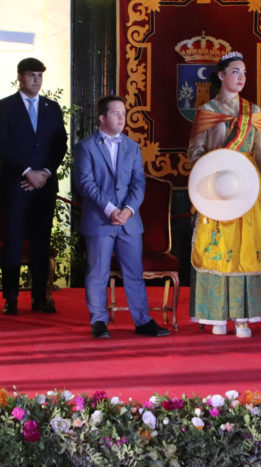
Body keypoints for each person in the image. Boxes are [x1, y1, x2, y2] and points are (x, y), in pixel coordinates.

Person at [188, 53, 261, 337]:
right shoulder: (207, 111)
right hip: (216, 188)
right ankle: (216, 316)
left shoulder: (254, 111)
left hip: (246, 189)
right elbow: (194, 153)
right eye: (235, 71)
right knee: (217, 250)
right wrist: (216, 166)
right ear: (221, 76)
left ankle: (242, 317)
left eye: (244, 72)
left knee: (245, 250)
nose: (241, 77)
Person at [75, 95, 169, 339]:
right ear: (102, 117)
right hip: (99, 219)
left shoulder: (132, 146)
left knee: (134, 273)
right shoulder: (86, 147)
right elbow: (85, 184)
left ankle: (143, 320)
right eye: (116, 113)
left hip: (129, 221)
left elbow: (139, 183)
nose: (121, 118)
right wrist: (110, 209)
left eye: (124, 113)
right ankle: (99, 322)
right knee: (98, 272)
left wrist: (127, 210)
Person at [0, 57, 68, 315]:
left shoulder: (52, 108)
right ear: (20, 77)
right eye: (32, 75)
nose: (36, 80)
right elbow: (2, 145)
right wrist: (26, 172)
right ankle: (10, 299)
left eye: (40, 76)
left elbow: (60, 146)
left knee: (40, 242)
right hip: (16, 184)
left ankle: (39, 298)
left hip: (44, 186)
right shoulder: (5, 107)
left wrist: (44, 172)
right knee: (13, 241)